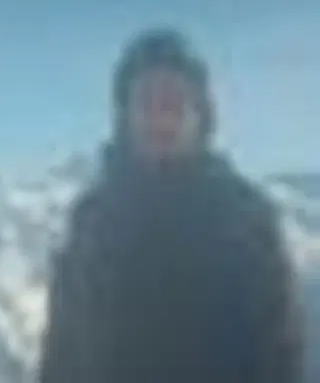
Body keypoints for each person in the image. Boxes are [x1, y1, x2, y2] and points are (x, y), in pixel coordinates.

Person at [38, 28, 303, 383]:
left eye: (174, 102)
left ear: (201, 114)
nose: (161, 118)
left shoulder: (244, 218)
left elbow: (278, 355)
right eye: (146, 102)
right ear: (125, 115)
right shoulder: (92, 219)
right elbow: (61, 348)